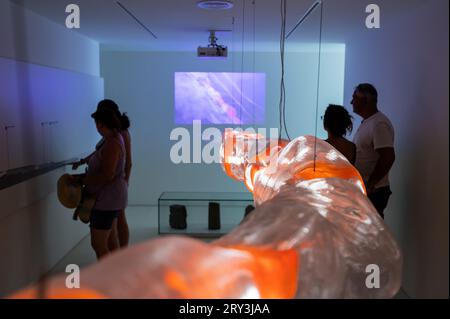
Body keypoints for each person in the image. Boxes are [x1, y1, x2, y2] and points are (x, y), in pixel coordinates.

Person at [73, 100, 132, 248]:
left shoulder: (119, 135)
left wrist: (126, 181)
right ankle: (118, 261)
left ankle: (123, 257)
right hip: (112, 191)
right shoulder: (113, 135)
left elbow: (125, 163)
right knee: (111, 232)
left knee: (118, 223)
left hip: (111, 192)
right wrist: (83, 161)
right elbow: (99, 152)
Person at [351, 83, 395, 218]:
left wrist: (370, 185)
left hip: (374, 193)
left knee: (370, 235)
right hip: (367, 191)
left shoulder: (378, 124)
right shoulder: (368, 122)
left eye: (355, 98)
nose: (351, 101)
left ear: (365, 100)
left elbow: (388, 157)